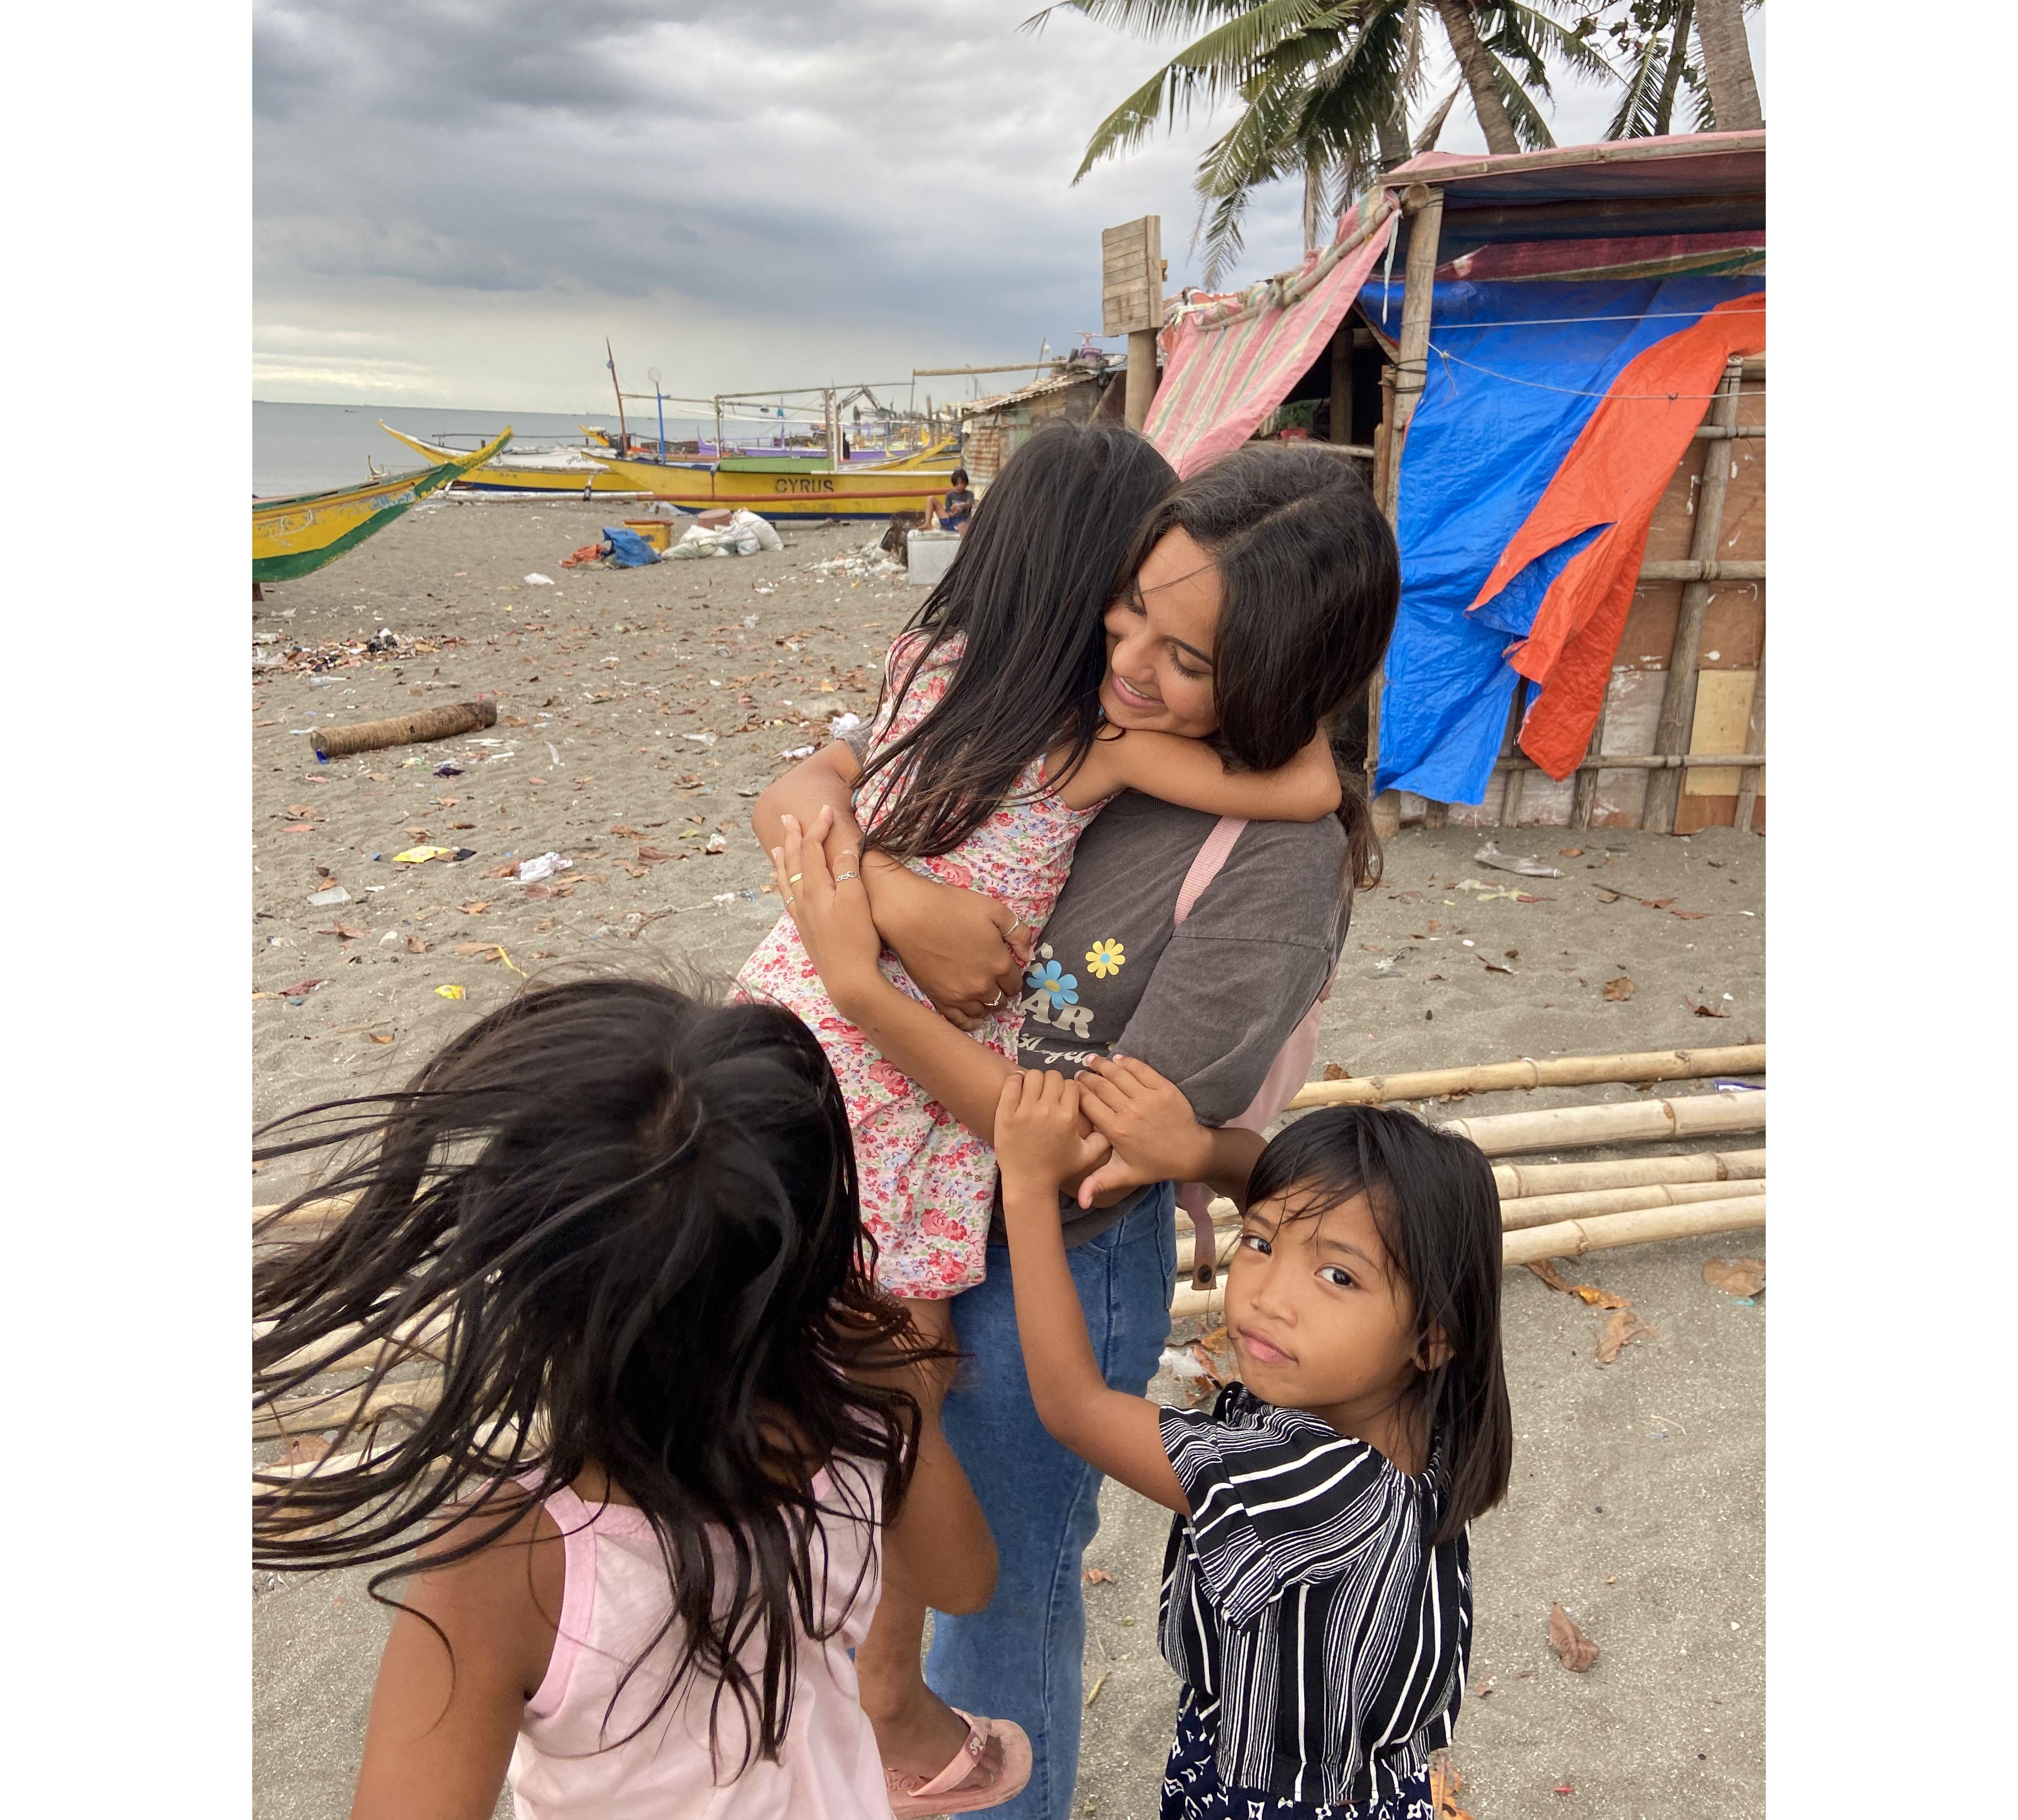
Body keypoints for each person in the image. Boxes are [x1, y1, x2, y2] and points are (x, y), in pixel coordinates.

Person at [757, 440, 1403, 1820]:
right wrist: (864, 864)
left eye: (1187, 655)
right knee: (886, 1535)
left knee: (998, 1595)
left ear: (1282, 672)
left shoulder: (1269, 865)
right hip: (889, 1174)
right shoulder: (1068, 707)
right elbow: (860, 776)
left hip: (1047, 1249)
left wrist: (866, 973)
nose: (1131, 663)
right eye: (1131, 612)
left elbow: (1093, 1152)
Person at [251, 977, 1023, 1819]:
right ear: (814, 1253)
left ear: (531, 1292)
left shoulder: (498, 1568)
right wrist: (897, 1379)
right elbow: (964, 1580)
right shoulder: (852, 1421)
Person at [989, 1086, 1512, 1820]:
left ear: (1432, 1334)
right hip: (1369, 1786)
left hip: (1270, 1795)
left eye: (1338, 1276)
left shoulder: (1316, 1484)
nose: (1268, 1294)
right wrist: (1202, 1151)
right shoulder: (1423, 1410)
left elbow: (1075, 1407)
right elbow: (1281, 1194)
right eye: (1260, 1244)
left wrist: (1027, 1184)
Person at [930, 466, 974, 534]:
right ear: (954, 484)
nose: (960, 486)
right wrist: (953, 513)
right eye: (957, 484)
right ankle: (927, 524)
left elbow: (969, 504)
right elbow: (949, 512)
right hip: (950, 519)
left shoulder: (969, 494)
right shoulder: (950, 495)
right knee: (931, 499)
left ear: (966, 484)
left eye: (962, 484)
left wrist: (961, 506)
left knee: (963, 526)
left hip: (963, 520)